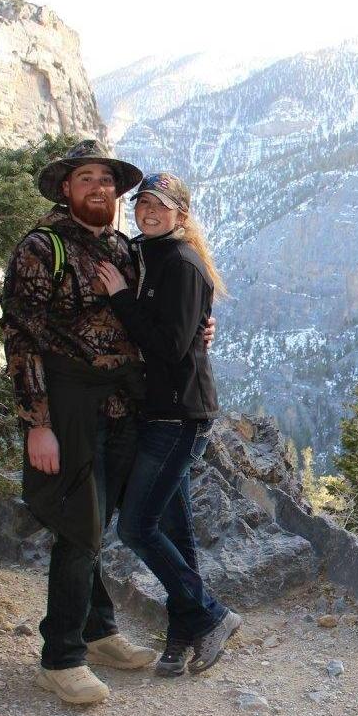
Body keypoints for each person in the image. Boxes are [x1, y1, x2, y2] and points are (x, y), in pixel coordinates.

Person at [1, 141, 213, 704]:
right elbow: (20, 338)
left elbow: (159, 310)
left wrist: (199, 329)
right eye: (86, 178)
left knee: (99, 521)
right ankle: (61, 655)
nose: (99, 188)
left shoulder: (123, 248)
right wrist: (36, 422)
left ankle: (98, 633)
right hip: (68, 405)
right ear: (67, 189)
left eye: (106, 180)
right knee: (78, 525)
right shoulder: (40, 249)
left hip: (123, 405)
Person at [97, 172, 241, 677]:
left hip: (179, 415)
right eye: (142, 204)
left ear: (181, 213)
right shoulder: (146, 253)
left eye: (159, 205)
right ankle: (183, 636)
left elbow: (171, 345)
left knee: (137, 526)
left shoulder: (180, 261)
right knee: (175, 530)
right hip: (158, 410)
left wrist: (120, 299)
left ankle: (211, 614)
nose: (148, 212)